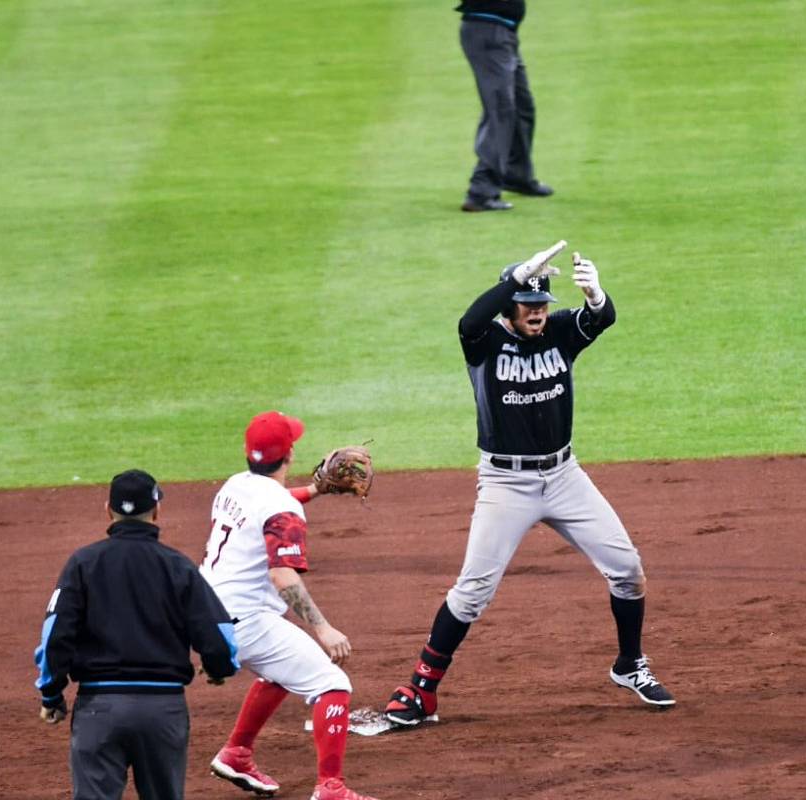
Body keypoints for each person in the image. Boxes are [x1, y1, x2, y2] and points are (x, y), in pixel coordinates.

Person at [384, 241, 675, 729]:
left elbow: (600, 321)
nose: (538, 314)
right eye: (527, 305)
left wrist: (596, 297)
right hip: (505, 483)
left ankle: (630, 665)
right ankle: (420, 690)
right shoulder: (485, 344)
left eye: (542, 305)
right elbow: (468, 321)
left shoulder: (561, 332)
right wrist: (514, 280)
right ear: (509, 307)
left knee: (627, 569)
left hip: (564, 476)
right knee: (473, 590)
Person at [200, 411, 378, 800]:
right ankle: (331, 788)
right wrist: (323, 629)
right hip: (245, 620)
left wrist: (314, 491)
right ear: (290, 454)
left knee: (282, 670)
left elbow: (270, 509)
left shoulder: (235, 485)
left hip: (206, 613)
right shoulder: (282, 510)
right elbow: (284, 576)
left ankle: (236, 754)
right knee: (332, 684)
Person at [34, 469, 239, 800]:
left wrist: (51, 695)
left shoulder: (83, 563)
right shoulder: (178, 566)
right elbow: (218, 633)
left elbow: (55, 634)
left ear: (107, 510)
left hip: (98, 710)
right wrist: (218, 669)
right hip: (163, 710)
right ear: (156, 511)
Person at [457, 0, 554, 212]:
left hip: (501, 32)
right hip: (489, 32)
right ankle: (481, 191)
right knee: (501, 111)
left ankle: (517, 175)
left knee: (521, 106)